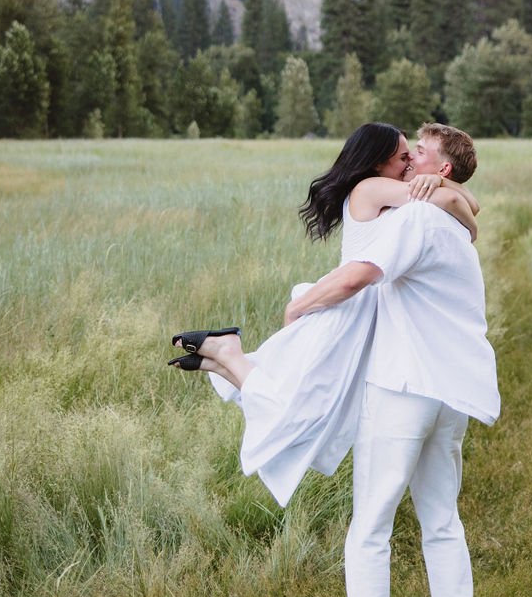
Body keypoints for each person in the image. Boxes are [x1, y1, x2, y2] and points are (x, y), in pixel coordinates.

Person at [281, 123, 499, 597]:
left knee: (371, 524)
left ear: (438, 170)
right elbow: (464, 213)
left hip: (404, 386)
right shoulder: (456, 231)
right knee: (442, 518)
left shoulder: (418, 218)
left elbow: (360, 274)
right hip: (451, 395)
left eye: (418, 154)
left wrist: (300, 305)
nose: (410, 161)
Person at [171, 123, 478, 509]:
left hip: (356, 318)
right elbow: (457, 203)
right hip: (340, 314)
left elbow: (463, 198)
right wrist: (466, 217)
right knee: (299, 415)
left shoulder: (390, 193)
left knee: (308, 413)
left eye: (412, 155)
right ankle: (228, 354)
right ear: (379, 162)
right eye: (403, 156)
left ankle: (223, 359)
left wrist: (442, 186)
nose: (408, 163)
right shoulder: (370, 188)